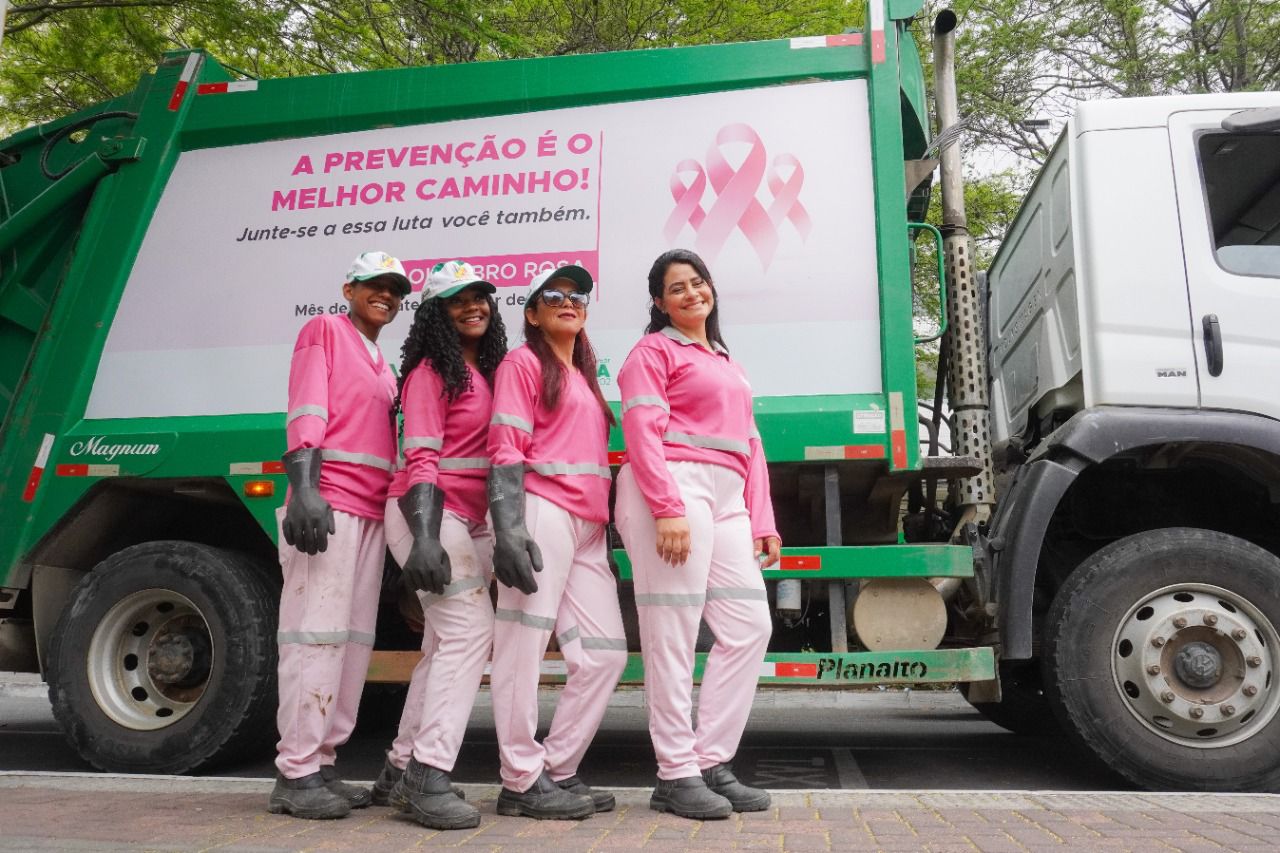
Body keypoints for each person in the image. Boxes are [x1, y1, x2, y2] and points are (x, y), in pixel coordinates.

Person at [614, 248, 780, 820]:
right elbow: (640, 430)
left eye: (697, 282)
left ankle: (710, 760)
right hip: (673, 487)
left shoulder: (726, 360)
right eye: (676, 288)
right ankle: (675, 772)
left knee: (749, 626)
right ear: (659, 303)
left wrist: (764, 520)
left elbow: (751, 443)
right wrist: (666, 508)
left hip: (728, 496)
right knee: (673, 635)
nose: (691, 294)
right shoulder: (651, 352)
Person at [269, 251, 408, 820]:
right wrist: (304, 487)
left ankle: (322, 760)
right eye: (374, 285)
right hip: (328, 506)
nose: (385, 296)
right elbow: (306, 408)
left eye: (394, 290)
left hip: (371, 510)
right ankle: (295, 773)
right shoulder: (324, 329)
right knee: (313, 637)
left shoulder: (384, 362)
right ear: (348, 288)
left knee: (352, 642)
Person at [370, 261, 508, 829]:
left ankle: (401, 768)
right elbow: (420, 459)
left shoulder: (496, 371)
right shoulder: (431, 372)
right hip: (426, 513)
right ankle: (427, 777)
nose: (474, 306)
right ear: (434, 312)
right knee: (470, 632)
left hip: (468, 518)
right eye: (457, 300)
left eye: (481, 296)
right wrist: (425, 541)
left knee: (445, 645)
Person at [486, 264, 627, 820]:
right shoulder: (523, 363)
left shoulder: (584, 372)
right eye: (554, 295)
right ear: (532, 312)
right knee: (521, 647)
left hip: (590, 526)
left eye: (578, 297)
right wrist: (510, 527)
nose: (569, 302)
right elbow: (505, 446)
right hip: (543, 511)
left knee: (604, 654)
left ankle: (558, 768)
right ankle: (520, 778)